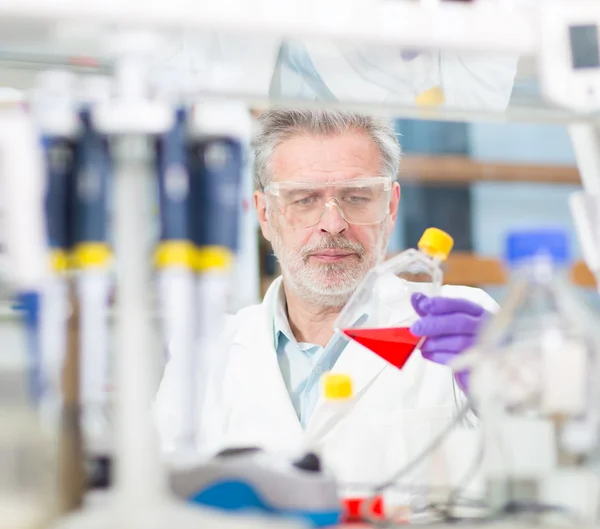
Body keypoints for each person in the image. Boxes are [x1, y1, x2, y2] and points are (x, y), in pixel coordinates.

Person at [156, 108, 497, 496]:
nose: (332, 224)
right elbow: (157, 500)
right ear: (265, 214)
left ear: (389, 207)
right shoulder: (203, 354)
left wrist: (504, 388)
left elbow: (541, 465)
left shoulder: (461, 326)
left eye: (356, 197)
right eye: (303, 199)